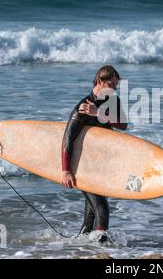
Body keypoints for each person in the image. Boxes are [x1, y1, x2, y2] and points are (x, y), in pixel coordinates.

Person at [61, 65, 127, 242]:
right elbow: (67, 140)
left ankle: (78, 246)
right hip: (82, 165)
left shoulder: (113, 101)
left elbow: (123, 125)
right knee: (102, 209)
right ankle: (100, 248)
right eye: (111, 85)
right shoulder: (82, 108)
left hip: (101, 165)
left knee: (90, 214)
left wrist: (98, 113)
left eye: (116, 86)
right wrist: (66, 170)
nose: (114, 89)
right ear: (99, 82)